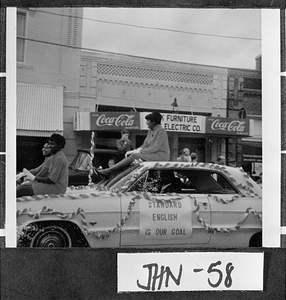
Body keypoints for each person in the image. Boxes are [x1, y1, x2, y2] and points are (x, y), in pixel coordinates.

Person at [95, 111, 170, 178]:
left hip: (161, 156)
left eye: (148, 120)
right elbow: (145, 145)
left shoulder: (161, 131)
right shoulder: (150, 131)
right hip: (153, 154)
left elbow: (155, 148)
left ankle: (109, 171)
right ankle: (115, 174)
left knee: (134, 156)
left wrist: (139, 152)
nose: (146, 122)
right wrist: (135, 150)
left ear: (153, 122)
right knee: (133, 157)